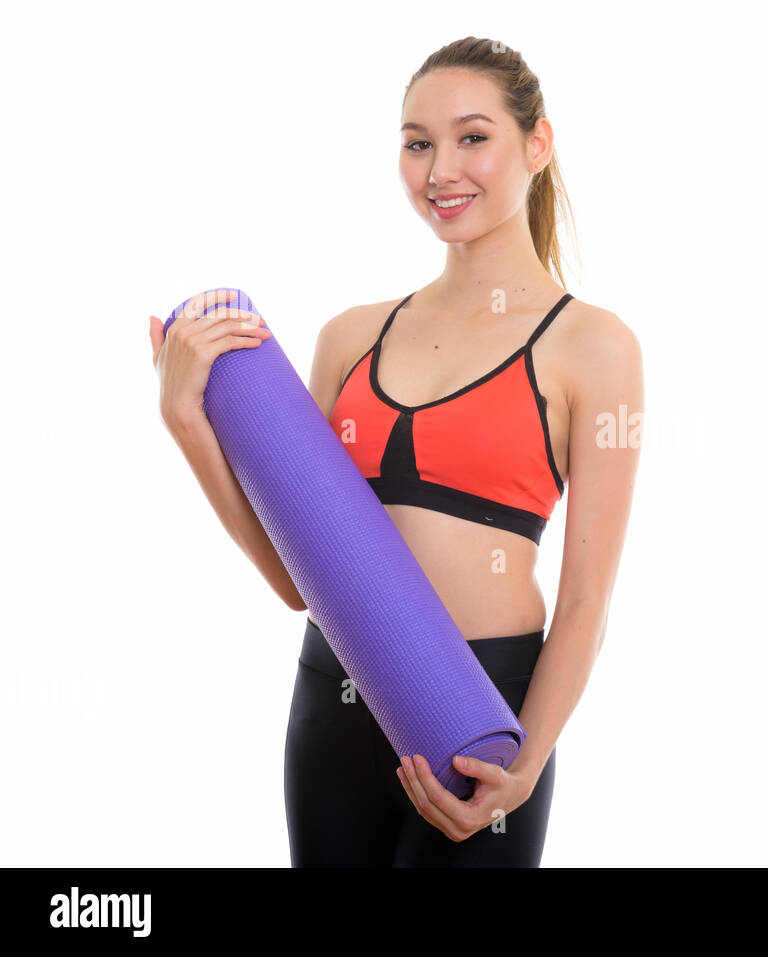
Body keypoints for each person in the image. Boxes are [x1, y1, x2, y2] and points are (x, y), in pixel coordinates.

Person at [149, 36, 643, 867]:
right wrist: (188, 421)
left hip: (481, 712)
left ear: (538, 144)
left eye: (472, 136)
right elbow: (293, 577)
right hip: (334, 700)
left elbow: (588, 604)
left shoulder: (593, 347)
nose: (440, 167)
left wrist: (525, 764)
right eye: (418, 143)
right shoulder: (351, 336)